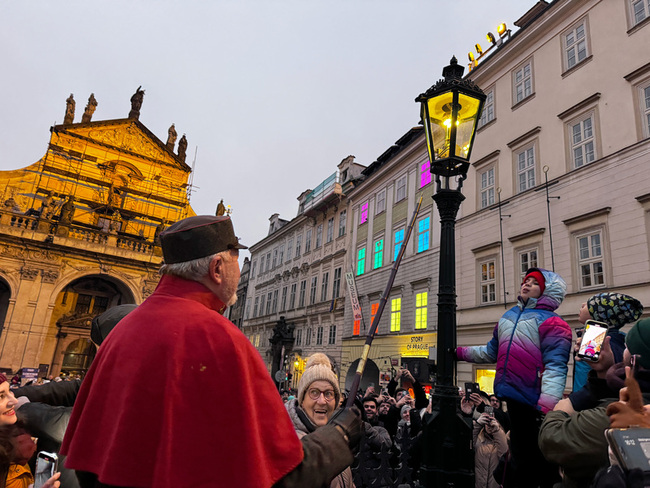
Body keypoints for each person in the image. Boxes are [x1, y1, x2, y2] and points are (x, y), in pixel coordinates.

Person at [60, 215, 361, 488]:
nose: (239, 271)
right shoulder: (221, 339)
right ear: (217, 268)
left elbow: (87, 462)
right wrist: (340, 438)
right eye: (237, 260)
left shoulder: (121, 333)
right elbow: (279, 476)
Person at [456, 268, 572, 488]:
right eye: (525, 280)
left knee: (533, 460)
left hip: (533, 402)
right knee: (521, 455)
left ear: (548, 290)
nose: (526, 284)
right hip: (513, 397)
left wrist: (545, 407)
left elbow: (555, 368)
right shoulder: (508, 317)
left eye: (534, 283)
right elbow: (491, 352)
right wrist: (460, 353)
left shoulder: (554, 323)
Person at [539, 318, 650, 488]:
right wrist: (604, 372)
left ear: (636, 361)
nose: (623, 351)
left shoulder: (626, 415)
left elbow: (552, 437)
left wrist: (561, 409)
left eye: (627, 347)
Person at [285, 353, 353, 487]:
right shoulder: (288, 440)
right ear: (302, 400)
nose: (322, 401)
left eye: (328, 394)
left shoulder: (335, 439)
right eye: (314, 392)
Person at [572, 292, 642, 392]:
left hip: (588, 399)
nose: (583, 304)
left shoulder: (593, 341)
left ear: (599, 315)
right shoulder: (622, 339)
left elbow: (583, 377)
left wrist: (575, 400)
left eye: (588, 304)